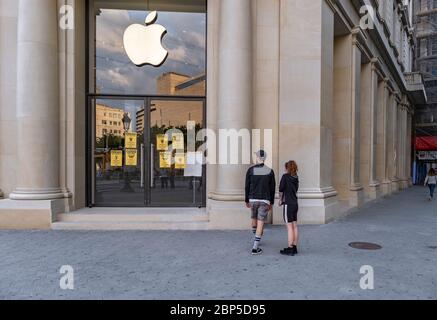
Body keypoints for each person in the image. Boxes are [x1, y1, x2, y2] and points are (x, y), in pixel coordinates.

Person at [245, 150, 276, 255]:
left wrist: (246, 199)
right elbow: (272, 189)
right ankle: (255, 247)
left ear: (257, 158)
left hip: (252, 199)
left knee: (254, 221)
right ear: (265, 158)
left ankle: (256, 239)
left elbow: (247, 186)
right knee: (261, 222)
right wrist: (271, 202)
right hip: (264, 200)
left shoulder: (250, 170)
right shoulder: (269, 171)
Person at [279, 161, 300, 256]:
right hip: (295, 203)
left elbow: (281, 189)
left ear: (287, 168)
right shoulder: (296, 178)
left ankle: (290, 248)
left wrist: (280, 200)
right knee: (295, 226)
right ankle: (294, 247)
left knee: (289, 227)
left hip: (288, 204)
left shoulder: (285, 177)